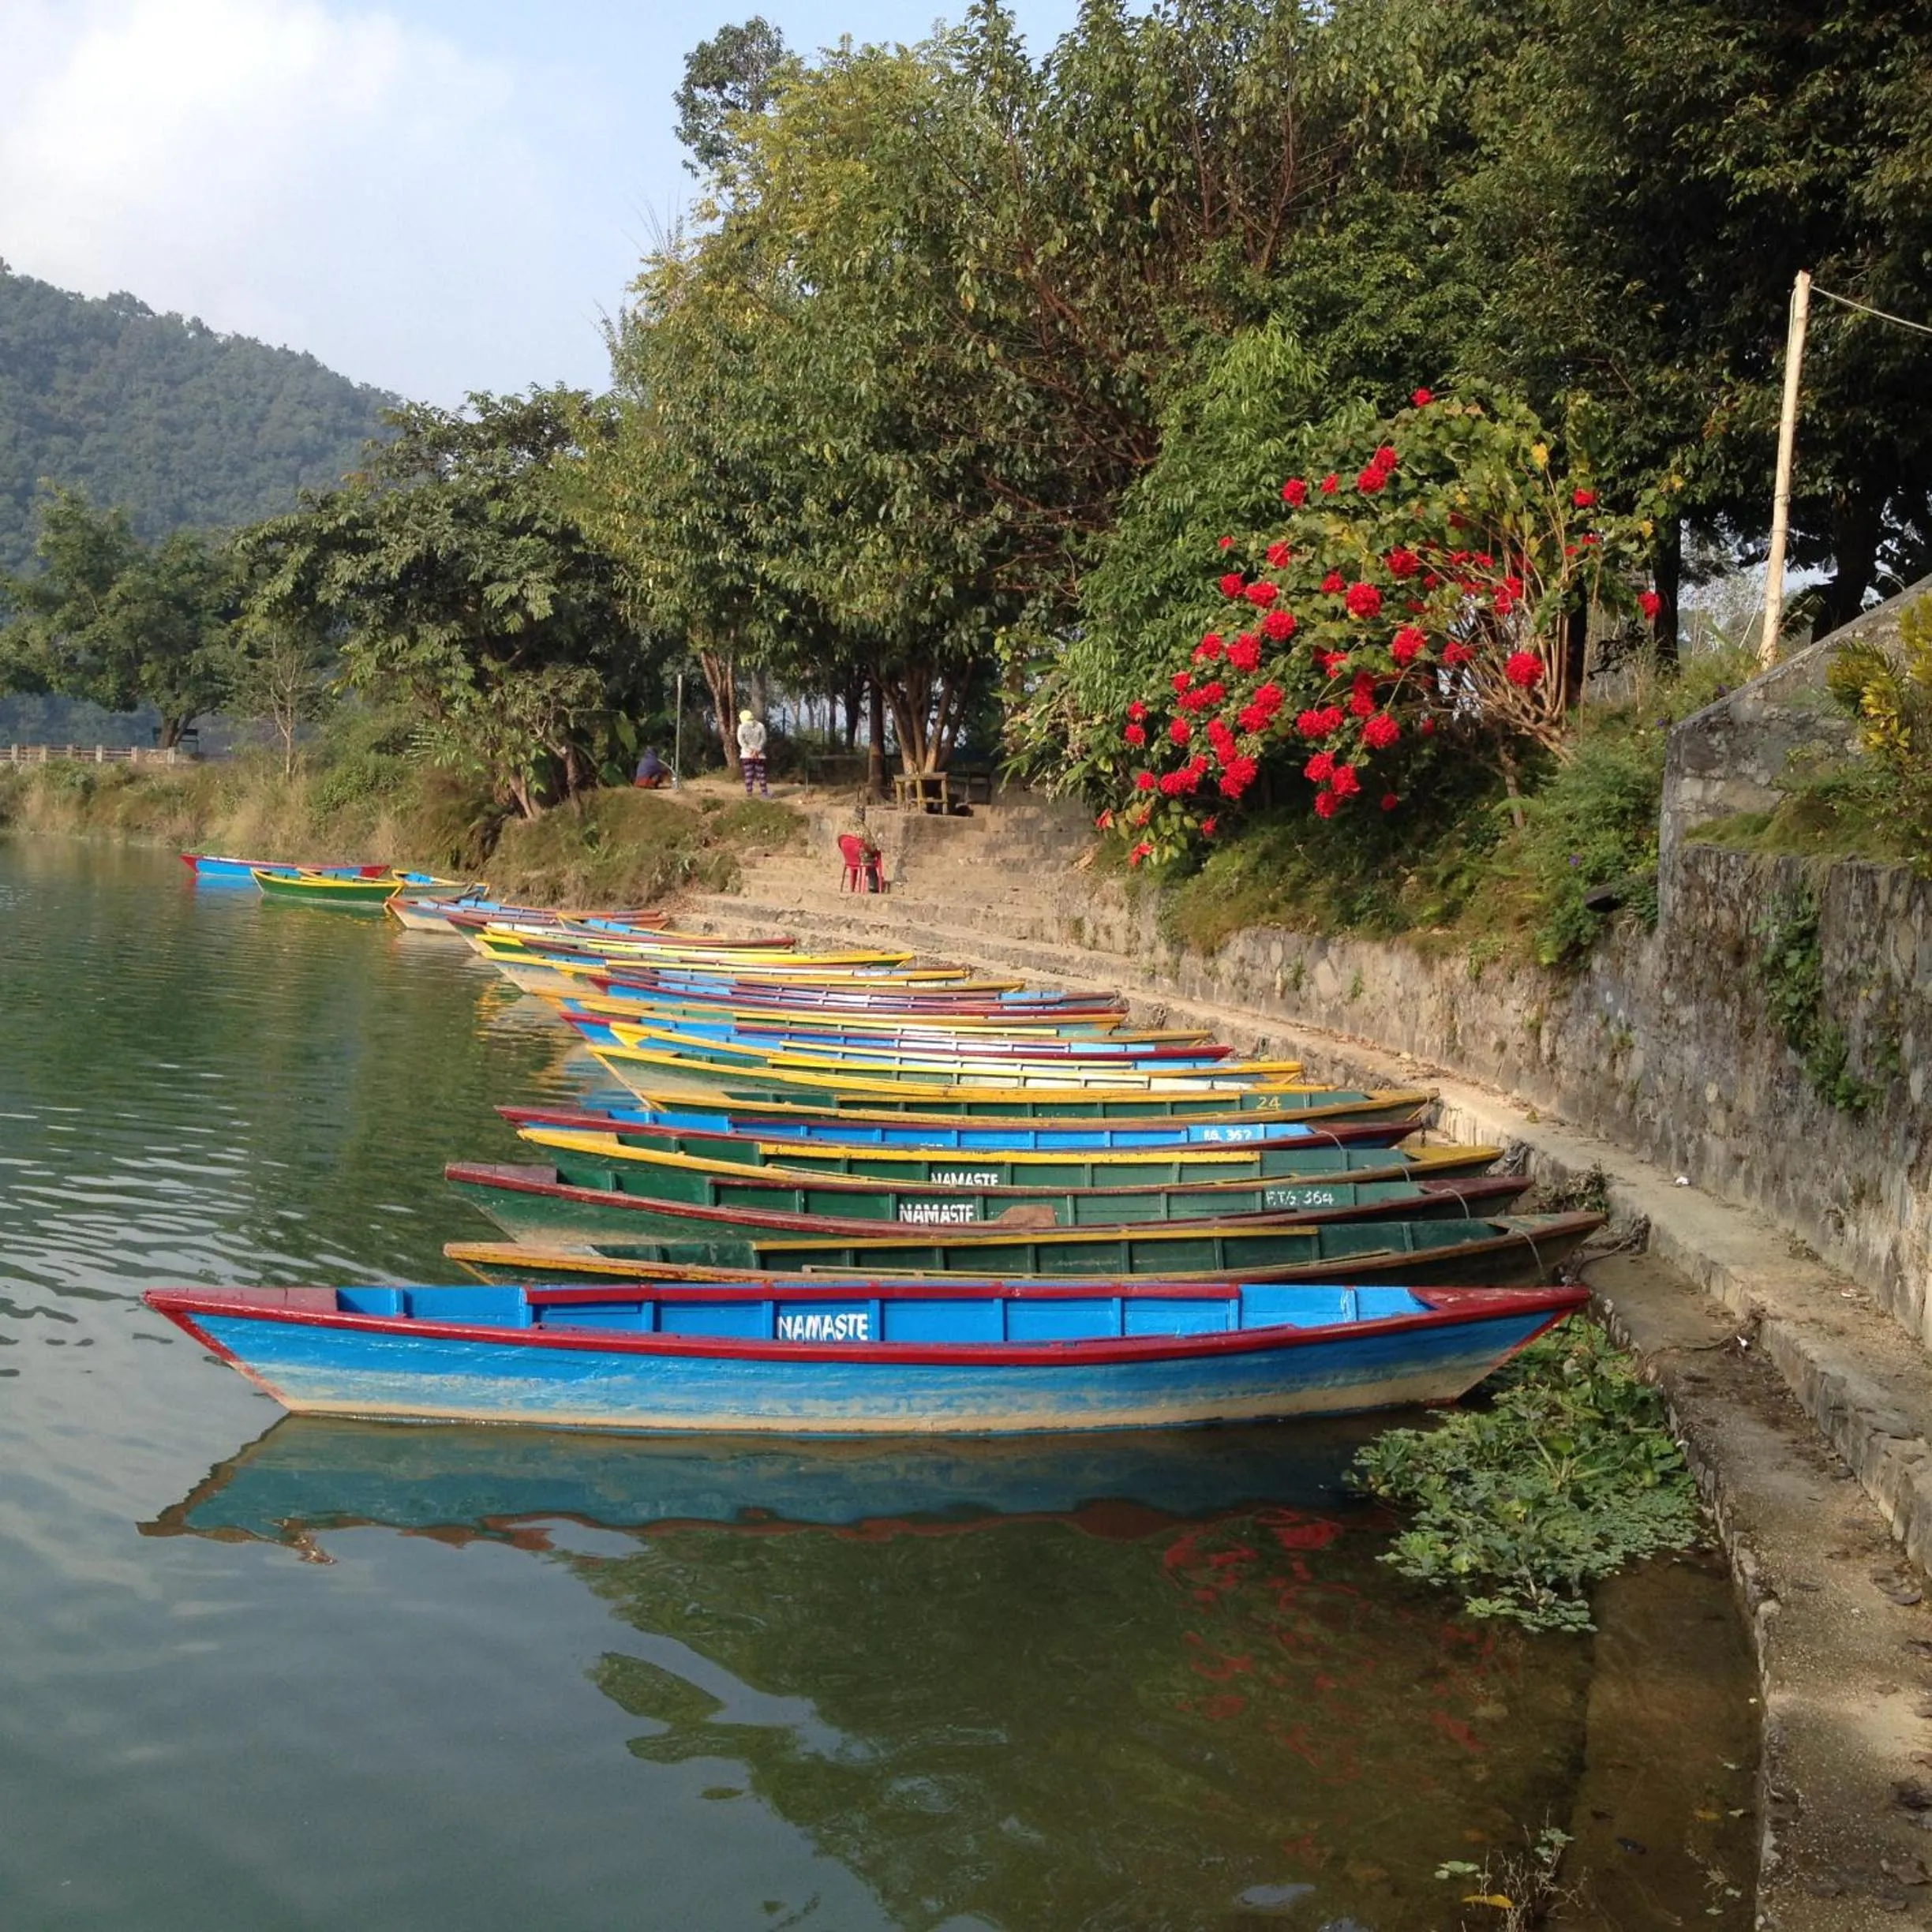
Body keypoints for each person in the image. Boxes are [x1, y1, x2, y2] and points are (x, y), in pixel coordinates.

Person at [736, 710, 769, 796]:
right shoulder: (760, 726)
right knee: (761, 775)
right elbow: (764, 739)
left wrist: (750, 751)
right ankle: (764, 793)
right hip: (759, 755)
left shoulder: (741, 727)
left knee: (748, 775)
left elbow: (741, 741)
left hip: (746, 755)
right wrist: (757, 750)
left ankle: (749, 793)